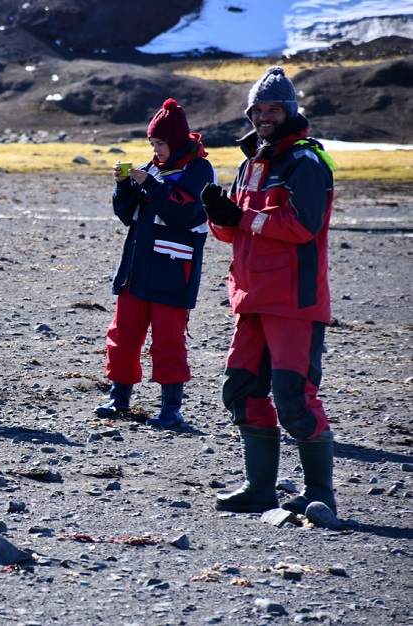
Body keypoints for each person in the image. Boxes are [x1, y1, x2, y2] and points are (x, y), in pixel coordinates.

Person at [201, 66, 338, 515]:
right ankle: (260, 488)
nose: (264, 116)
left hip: (293, 302)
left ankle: (320, 494)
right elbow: (234, 235)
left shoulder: (304, 162)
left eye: (273, 109)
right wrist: (221, 215)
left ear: (289, 112)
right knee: (242, 391)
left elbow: (302, 226)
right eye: (258, 109)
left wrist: (239, 217)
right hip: (251, 298)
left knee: (294, 399)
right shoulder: (251, 163)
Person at [95, 98, 214, 429]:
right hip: (137, 269)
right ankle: (119, 398)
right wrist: (123, 186)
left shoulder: (199, 170)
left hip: (174, 272)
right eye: (152, 143)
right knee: (123, 335)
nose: (156, 149)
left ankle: (171, 409)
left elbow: (183, 213)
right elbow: (126, 216)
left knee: (168, 340)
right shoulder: (152, 169)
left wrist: (150, 185)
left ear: (176, 141)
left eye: (160, 143)